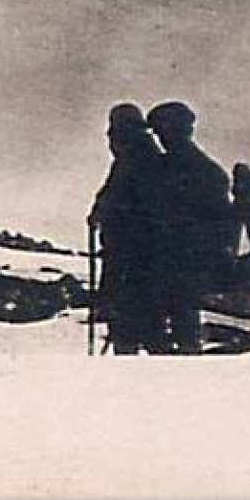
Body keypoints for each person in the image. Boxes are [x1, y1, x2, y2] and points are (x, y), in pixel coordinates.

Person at [146, 101, 235, 354]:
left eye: (164, 132)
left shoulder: (200, 172)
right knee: (176, 326)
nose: (162, 139)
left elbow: (219, 223)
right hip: (175, 261)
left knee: (179, 327)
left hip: (181, 261)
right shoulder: (203, 170)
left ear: (180, 131)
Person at [88, 104, 168, 355]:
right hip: (138, 254)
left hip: (130, 254)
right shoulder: (142, 156)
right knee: (143, 324)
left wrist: (99, 212)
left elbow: (115, 196)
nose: (111, 139)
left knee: (129, 325)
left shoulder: (134, 158)